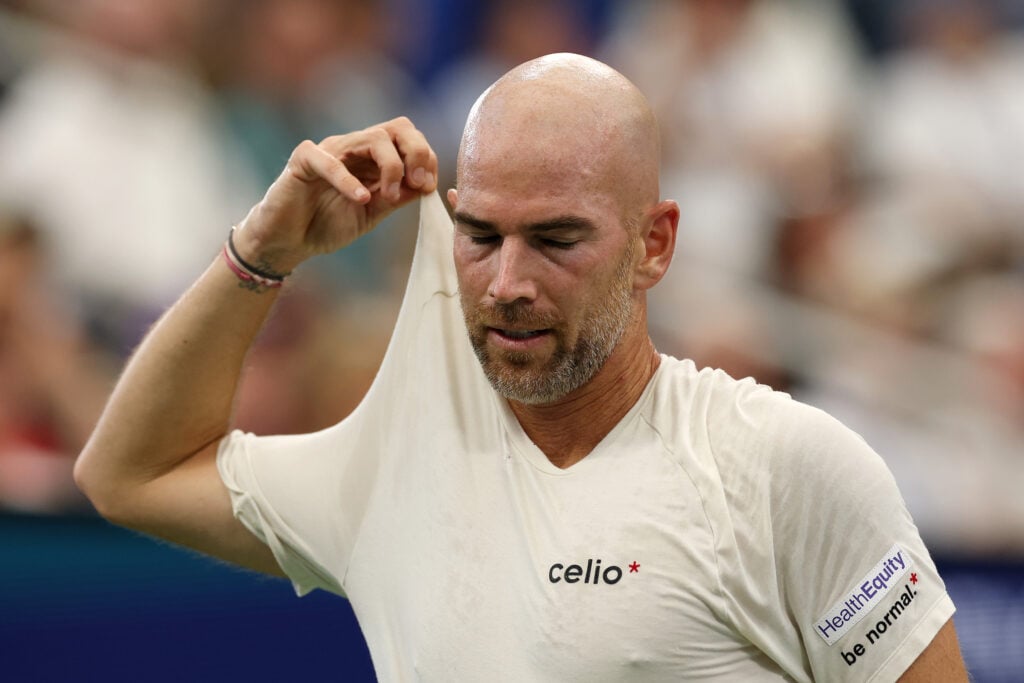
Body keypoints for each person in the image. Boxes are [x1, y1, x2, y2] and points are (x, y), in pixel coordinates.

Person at [74, 53, 968, 681]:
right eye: (479, 235)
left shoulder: (790, 468)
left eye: (555, 240)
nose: (506, 283)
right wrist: (262, 251)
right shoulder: (386, 472)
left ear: (654, 245)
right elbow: (129, 473)